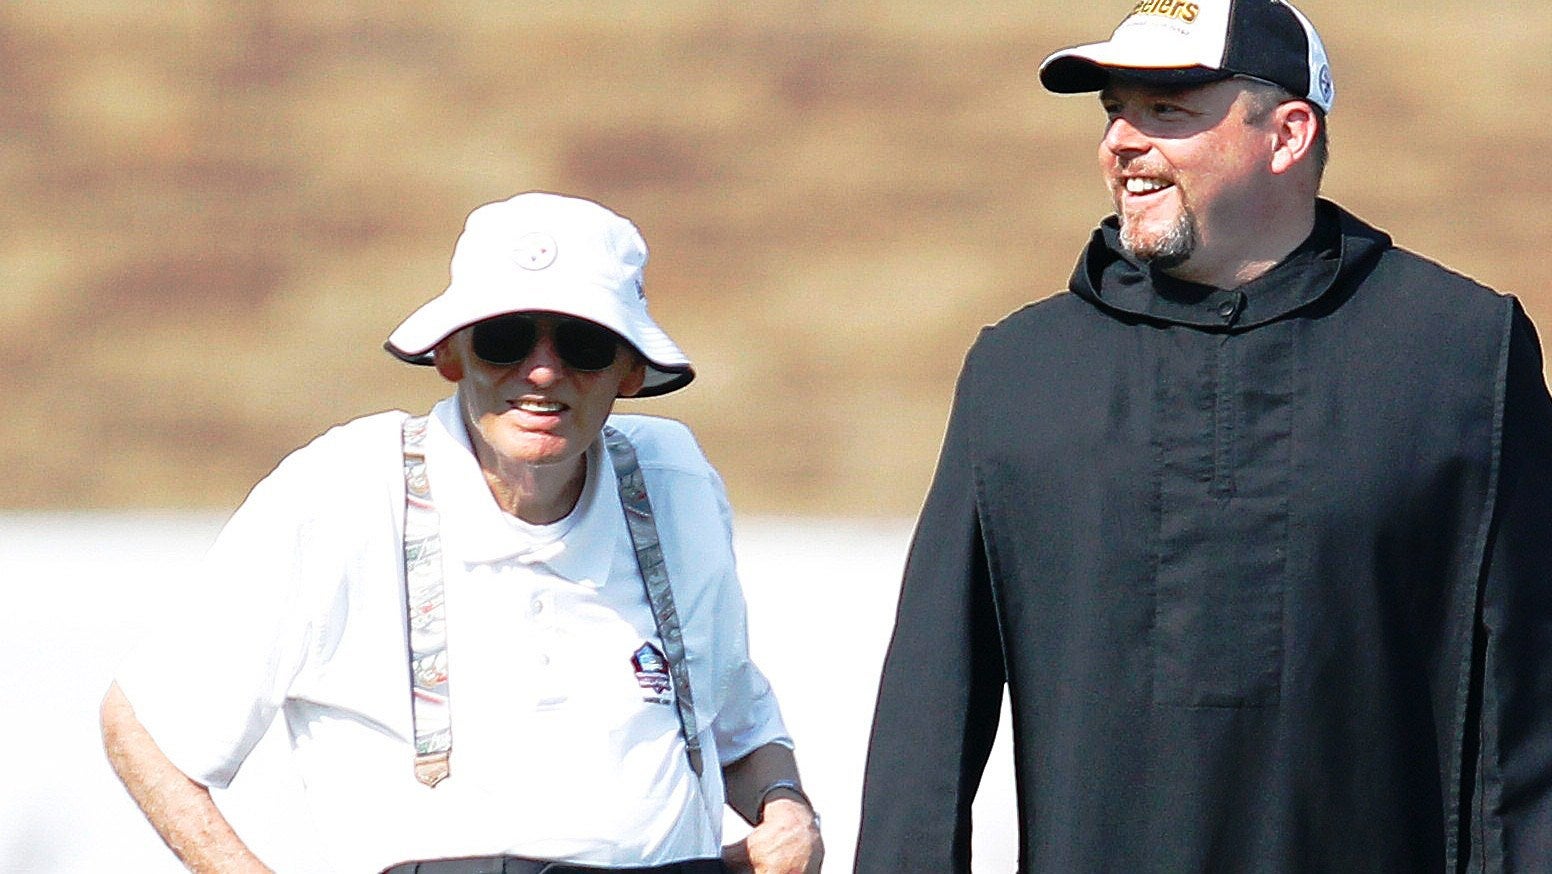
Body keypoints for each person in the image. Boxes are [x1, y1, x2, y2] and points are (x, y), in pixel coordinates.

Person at [855, 0, 1552, 870]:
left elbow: (1528, 705)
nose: (1121, 143)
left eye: (1166, 111)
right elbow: (929, 713)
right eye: (1115, 110)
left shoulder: (1461, 351)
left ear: (1287, 133)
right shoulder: (1020, 371)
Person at [101, 191, 823, 874]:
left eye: (584, 344)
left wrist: (786, 809)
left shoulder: (678, 482)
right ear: (450, 355)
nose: (542, 371)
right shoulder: (344, 491)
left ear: (630, 370)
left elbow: (736, 719)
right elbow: (146, 725)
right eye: (504, 339)